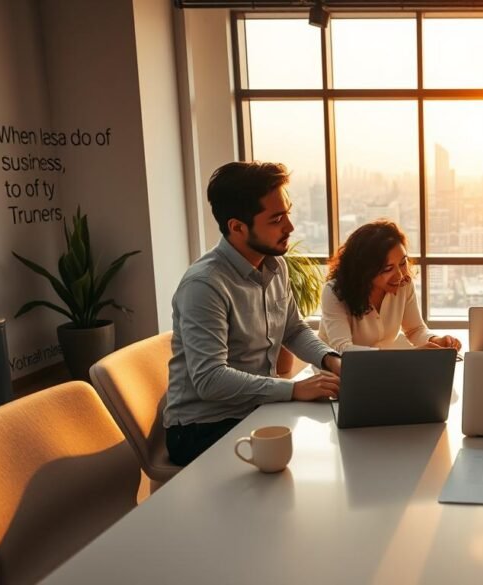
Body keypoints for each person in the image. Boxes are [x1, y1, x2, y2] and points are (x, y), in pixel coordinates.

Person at [163, 161, 342, 466]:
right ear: (237, 227)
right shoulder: (204, 285)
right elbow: (210, 379)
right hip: (201, 427)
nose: (290, 227)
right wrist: (294, 389)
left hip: (254, 409)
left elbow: (294, 329)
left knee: (339, 427)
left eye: (288, 212)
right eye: (276, 219)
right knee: (316, 451)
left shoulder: (275, 265)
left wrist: (332, 361)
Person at [319, 220, 461, 353]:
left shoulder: (404, 284)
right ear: (365, 270)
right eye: (388, 269)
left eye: (403, 263)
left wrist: (436, 341)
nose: (399, 275)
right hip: (337, 373)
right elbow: (343, 349)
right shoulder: (334, 292)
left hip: (383, 371)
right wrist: (405, 357)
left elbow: (415, 329)